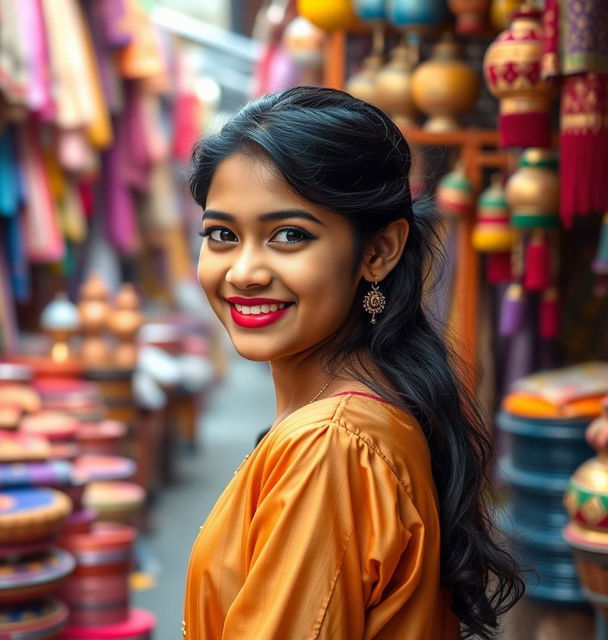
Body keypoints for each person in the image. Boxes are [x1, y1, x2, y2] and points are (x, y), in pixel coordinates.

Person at [183, 86, 523, 639]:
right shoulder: (371, 408)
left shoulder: (330, 447)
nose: (244, 271)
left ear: (378, 251)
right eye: (222, 234)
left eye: (289, 235)